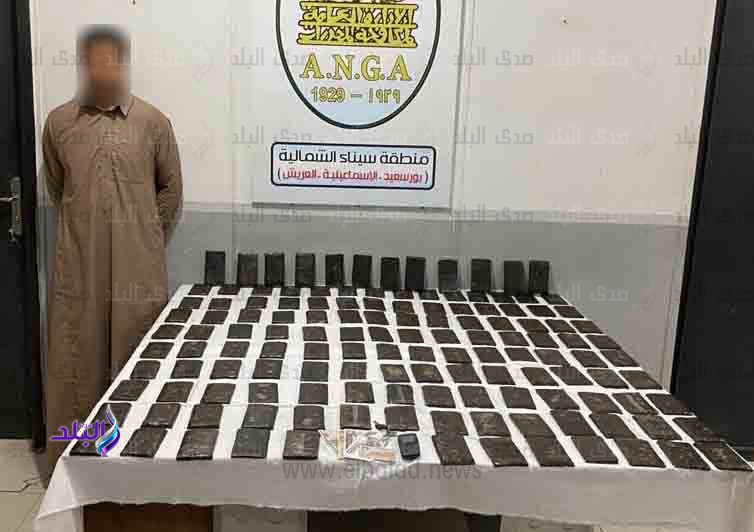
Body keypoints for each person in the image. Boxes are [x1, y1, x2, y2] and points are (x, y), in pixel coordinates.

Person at [42, 25, 182, 467]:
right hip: (79, 266)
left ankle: (132, 466)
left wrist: (141, 235)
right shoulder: (59, 123)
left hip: (135, 268)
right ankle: (75, 463)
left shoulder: (152, 123)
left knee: (135, 355)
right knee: (77, 359)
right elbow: (58, 186)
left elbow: (171, 190)